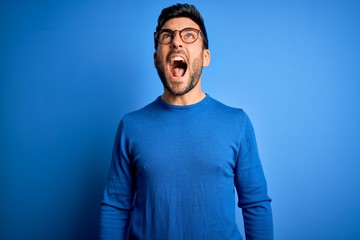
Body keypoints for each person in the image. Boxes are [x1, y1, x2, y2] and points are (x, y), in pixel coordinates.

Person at [100, 3, 273, 240]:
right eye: (167, 36)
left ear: (205, 57)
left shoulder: (237, 123)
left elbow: (255, 204)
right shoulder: (131, 126)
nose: (177, 42)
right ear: (155, 59)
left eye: (189, 35)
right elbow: (116, 207)